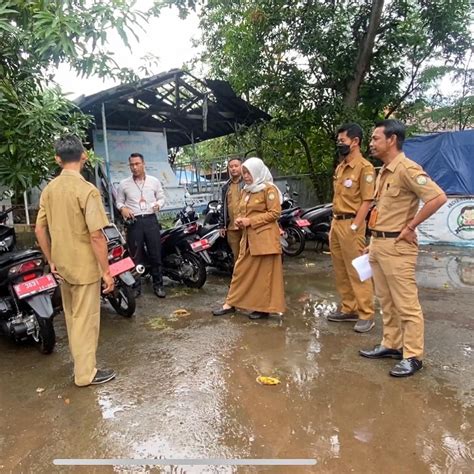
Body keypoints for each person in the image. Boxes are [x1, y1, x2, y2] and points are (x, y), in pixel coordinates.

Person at [360, 119, 447, 377]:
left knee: (406, 304)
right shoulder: (384, 171)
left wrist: (410, 227)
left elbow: (437, 197)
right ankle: (391, 344)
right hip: (379, 244)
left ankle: (413, 356)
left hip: (398, 247)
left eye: (376, 138)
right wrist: (372, 242)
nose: (371, 143)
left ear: (392, 140)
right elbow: (382, 211)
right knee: (386, 301)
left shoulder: (407, 169)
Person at [35, 135, 116, 387]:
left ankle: (81, 365)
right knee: (86, 320)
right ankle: (85, 374)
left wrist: (51, 260)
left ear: (57, 159)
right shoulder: (87, 191)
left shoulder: (49, 190)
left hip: (63, 266)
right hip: (84, 268)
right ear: (84, 156)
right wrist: (106, 271)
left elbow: (39, 229)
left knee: (72, 318)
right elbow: (97, 235)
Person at [212, 157, 286, 319]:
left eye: (248, 172)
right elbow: (242, 211)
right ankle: (231, 303)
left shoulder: (268, 189)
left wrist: (250, 221)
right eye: (244, 172)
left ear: (257, 171)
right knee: (240, 271)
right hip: (248, 237)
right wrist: (240, 221)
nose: (245, 176)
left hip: (264, 239)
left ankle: (263, 308)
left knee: (264, 276)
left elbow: (275, 214)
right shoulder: (247, 189)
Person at [327, 123, 376, 333]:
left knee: (358, 269)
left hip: (352, 224)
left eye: (343, 140)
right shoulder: (340, 167)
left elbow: (367, 201)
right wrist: (333, 225)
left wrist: (356, 226)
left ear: (355, 142)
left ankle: (366, 313)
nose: (340, 144)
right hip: (337, 222)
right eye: (339, 141)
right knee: (340, 270)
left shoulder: (365, 168)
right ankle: (349, 308)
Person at [116, 153, 166, 298]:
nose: (135, 167)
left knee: (155, 253)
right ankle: (136, 286)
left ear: (143, 164)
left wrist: (158, 204)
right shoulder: (124, 184)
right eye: (132, 165)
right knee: (136, 256)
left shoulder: (154, 181)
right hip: (134, 222)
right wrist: (122, 208)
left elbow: (161, 197)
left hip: (151, 220)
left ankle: (158, 285)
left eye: (137, 164)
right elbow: (119, 201)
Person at [218, 157, 245, 260]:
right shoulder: (226, 186)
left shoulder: (246, 183)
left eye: (236, 166)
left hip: (245, 227)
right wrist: (222, 225)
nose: (233, 168)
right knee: (236, 256)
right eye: (231, 166)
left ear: (241, 167)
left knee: (248, 256)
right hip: (232, 228)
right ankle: (238, 276)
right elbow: (223, 207)